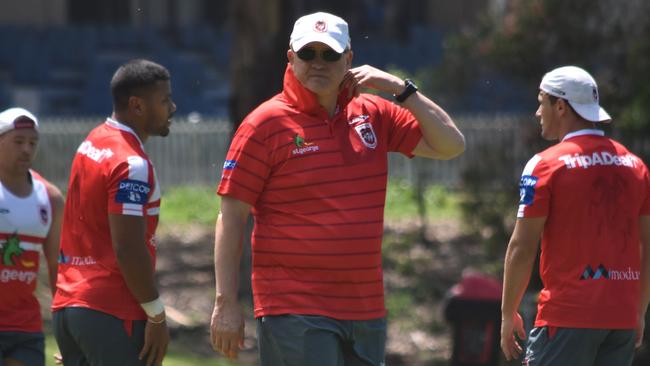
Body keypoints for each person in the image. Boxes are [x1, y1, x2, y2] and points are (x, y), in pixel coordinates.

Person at [210, 11, 465, 365]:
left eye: (329, 54)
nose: (318, 63)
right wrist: (226, 302)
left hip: (365, 308)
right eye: (307, 54)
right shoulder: (264, 124)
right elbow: (231, 215)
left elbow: (451, 144)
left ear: (348, 59)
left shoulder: (373, 112)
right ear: (291, 58)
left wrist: (398, 88)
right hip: (294, 307)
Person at [500, 66, 650, 365]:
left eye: (541, 101)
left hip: (566, 319)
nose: (537, 112)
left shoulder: (545, 165)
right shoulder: (636, 166)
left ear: (560, 105)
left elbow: (522, 246)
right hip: (620, 319)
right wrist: (639, 310)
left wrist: (507, 313)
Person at [51, 59, 176, 366]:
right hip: (112, 310)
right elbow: (128, 247)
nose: (172, 107)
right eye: (163, 100)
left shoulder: (92, 142)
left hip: (69, 307)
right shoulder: (130, 164)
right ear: (137, 105)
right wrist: (157, 315)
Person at [0, 107, 64, 366]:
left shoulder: (50, 198)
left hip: (25, 327)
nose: (27, 149)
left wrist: (67, 333)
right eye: (18, 141)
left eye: (32, 142)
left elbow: (59, 270)